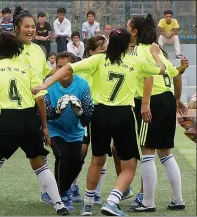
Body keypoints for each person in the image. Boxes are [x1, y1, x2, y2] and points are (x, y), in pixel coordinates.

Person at [32, 28, 167, 216]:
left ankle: (88, 205)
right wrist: (155, 54)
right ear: (129, 45)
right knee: (129, 166)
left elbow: (68, 67)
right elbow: (161, 69)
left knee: (97, 160)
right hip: (123, 115)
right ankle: (112, 201)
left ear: (109, 44)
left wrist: (45, 84)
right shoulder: (136, 61)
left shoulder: (98, 59)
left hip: (100, 114)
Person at [0, 31, 69, 216]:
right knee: (40, 165)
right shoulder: (26, 69)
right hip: (30, 119)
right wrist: (44, 127)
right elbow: (40, 100)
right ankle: (59, 204)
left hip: (8, 121)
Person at [0, 6, 58, 205]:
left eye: (33, 26)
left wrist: (67, 70)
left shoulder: (38, 50)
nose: (31, 30)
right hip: (13, 109)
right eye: (27, 27)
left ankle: (47, 193)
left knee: (40, 152)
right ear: (17, 28)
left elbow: (47, 74)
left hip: (36, 107)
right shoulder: (8, 46)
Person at [127, 14, 188, 212]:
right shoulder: (157, 49)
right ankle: (178, 200)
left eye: (127, 26)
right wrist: (177, 99)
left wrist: (145, 104)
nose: (125, 28)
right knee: (166, 153)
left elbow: (149, 77)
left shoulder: (139, 52)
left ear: (134, 31)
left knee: (147, 152)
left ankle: (148, 202)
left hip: (150, 102)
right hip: (167, 100)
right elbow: (176, 74)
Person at [44, 51, 94, 211]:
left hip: (75, 131)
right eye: (59, 67)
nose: (62, 71)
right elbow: (44, 113)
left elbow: (88, 114)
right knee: (62, 155)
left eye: (66, 67)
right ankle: (61, 195)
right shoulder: (49, 84)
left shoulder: (82, 84)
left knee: (77, 162)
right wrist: (56, 111)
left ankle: (62, 189)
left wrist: (79, 111)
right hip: (55, 129)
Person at [70, 35, 107, 204]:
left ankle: (97, 193)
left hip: (101, 113)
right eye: (101, 49)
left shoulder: (108, 65)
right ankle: (72, 187)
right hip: (83, 115)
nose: (105, 52)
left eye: (106, 48)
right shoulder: (83, 68)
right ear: (91, 52)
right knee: (81, 151)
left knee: (100, 154)